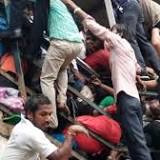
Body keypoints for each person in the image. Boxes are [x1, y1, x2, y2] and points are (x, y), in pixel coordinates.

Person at [62, 1, 152, 160]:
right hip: (134, 101)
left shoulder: (118, 41)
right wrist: (138, 77)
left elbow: (95, 27)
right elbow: (138, 69)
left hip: (126, 99)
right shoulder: (129, 51)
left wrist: (74, 7)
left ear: (119, 34)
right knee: (135, 143)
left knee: (137, 145)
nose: (108, 39)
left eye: (113, 32)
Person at [1, 94, 88, 160]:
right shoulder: (31, 132)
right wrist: (70, 133)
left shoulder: (23, 125)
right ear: (30, 114)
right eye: (43, 114)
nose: (48, 119)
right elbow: (61, 157)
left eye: (50, 114)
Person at [40, 0, 83, 128]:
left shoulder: (49, 2)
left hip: (61, 41)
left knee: (47, 79)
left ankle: (52, 121)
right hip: (77, 44)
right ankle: (61, 100)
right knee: (63, 69)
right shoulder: (61, 4)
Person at [111, 0, 160, 75]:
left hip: (127, 7)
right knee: (142, 41)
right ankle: (158, 68)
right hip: (134, 6)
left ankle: (142, 69)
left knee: (130, 39)